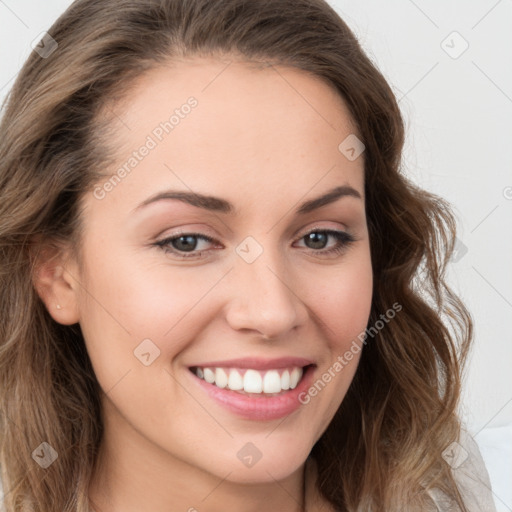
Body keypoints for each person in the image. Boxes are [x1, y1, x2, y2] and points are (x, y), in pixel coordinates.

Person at [0, 0, 497, 511]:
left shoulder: (442, 490)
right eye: (187, 241)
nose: (272, 311)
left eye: (320, 237)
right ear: (57, 273)